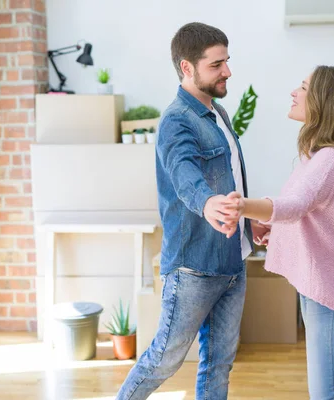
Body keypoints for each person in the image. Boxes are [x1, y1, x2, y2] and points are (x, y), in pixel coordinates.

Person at [116, 22, 252, 400]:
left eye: (227, 61)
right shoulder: (177, 120)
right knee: (166, 357)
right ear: (187, 68)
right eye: (216, 65)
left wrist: (249, 227)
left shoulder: (219, 114)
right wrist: (207, 202)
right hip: (194, 265)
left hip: (232, 260)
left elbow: (232, 180)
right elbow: (184, 174)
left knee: (219, 362)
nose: (227, 71)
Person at [225, 65, 334, 400]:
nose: (294, 92)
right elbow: (311, 218)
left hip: (331, 293)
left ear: (324, 100)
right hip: (331, 288)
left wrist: (242, 206)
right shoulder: (324, 157)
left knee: (329, 395)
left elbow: (294, 205)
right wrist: (270, 229)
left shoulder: (329, 160)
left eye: (303, 87)